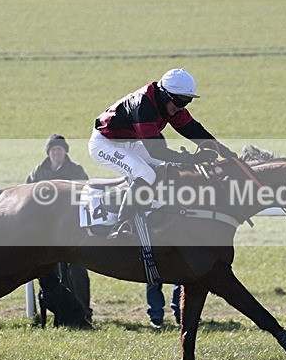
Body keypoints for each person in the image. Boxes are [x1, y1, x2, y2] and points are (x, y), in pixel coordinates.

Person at [88, 68, 235, 239]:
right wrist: (189, 158)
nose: (181, 107)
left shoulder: (169, 103)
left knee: (166, 168)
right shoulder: (143, 104)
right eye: (180, 102)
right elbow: (156, 150)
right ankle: (121, 226)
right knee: (145, 173)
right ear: (165, 95)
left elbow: (192, 129)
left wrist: (221, 149)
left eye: (187, 102)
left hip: (129, 141)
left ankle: (153, 209)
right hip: (104, 143)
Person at [26, 134, 93, 328]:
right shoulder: (38, 172)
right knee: (51, 272)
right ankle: (60, 315)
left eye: (60, 149)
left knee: (77, 271)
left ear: (65, 151)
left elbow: (85, 194)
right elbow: (27, 195)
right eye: (53, 149)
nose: (57, 152)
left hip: (72, 228)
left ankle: (83, 312)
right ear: (49, 152)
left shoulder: (76, 170)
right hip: (47, 231)